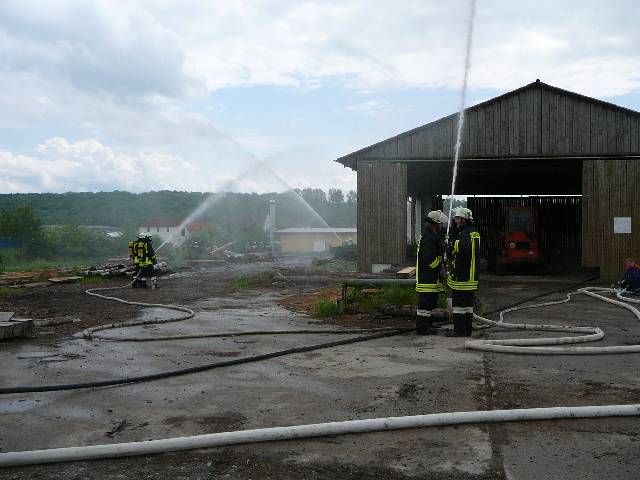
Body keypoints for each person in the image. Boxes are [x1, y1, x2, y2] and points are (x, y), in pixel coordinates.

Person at [446, 207, 480, 337]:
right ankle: (467, 330)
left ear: (463, 220)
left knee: (459, 306)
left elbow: (464, 248)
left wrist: (450, 245)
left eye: (457, 218)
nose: (455, 221)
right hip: (471, 276)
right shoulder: (474, 232)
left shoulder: (464, 233)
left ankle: (459, 331)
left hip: (463, 276)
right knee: (468, 306)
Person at [415, 210, 448, 335]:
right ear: (435, 224)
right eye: (440, 224)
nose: (441, 226)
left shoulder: (432, 235)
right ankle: (422, 328)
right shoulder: (428, 237)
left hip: (431, 276)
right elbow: (429, 258)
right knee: (425, 304)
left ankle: (427, 325)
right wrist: (439, 268)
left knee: (430, 302)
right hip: (427, 277)